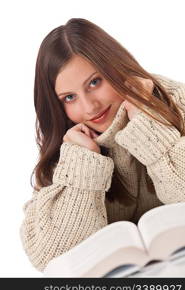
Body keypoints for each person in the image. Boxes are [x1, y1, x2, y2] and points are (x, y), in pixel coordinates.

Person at [20, 18, 185, 272]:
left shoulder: (175, 102)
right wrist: (84, 162)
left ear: (116, 68)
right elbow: (52, 257)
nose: (89, 107)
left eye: (95, 82)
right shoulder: (69, 149)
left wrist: (149, 126)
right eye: (70, 97)